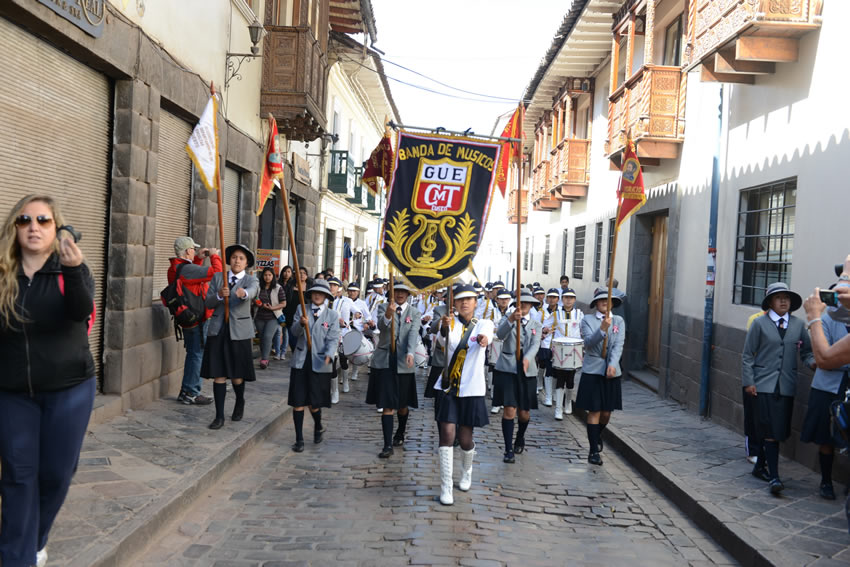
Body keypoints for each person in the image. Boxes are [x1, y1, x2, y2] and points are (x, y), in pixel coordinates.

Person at [0, 195, 96, 567]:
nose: (34, 226)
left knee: (55, 475)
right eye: (25, 220)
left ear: (56, 228)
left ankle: (35, 538)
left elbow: (81, 310)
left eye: (43, 220)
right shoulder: (3, 273)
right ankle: (16, 557)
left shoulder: (70, 269)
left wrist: (73, 271)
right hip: (12, 394)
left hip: (69, 389)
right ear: (15, 227)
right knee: (19, 477)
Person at [742, 282, 814, 494]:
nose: (783, 301)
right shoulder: (759, 324)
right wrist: (749, 382)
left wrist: (813, 363)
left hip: (786, 386)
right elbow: (747, 355)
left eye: (787, 298)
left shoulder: (798, 325)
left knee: (778, 430)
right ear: (770, 302)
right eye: (778, 297)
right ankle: (774, 477)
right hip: (762, 385)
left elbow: (807, 352)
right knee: (770, 431)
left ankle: (759, 467)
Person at [433, 284, 494, 505]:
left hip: (472, 389)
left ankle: (467, 471)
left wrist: (483, 340)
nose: (464, 303)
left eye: (469, 299)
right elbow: (442, 342)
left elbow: (487, 336)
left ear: (476, 302)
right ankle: (446, 487)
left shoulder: (484, 323)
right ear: (454, 304)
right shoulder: (449, 323)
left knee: (465, 439)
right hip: (449, 387)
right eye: (460, 300)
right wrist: (443, 327)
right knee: (447, 434)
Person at [201, 244, 260, 430]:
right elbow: (208, 301)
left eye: (241, 258)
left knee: (236, 376)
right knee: (219, 374)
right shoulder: (219, 278)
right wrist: (219, 295)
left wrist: (243, 294)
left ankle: (240, 400)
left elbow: (253, 292)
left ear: (246, 262)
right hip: (219, 330)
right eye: (234, 257)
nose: (237, 261)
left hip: (240, 332)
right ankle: (219, 416)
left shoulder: (251, 280)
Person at [799, 294, 847, 500]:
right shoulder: (826, 320)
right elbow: (823, 357)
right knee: (824, 435)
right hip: (827, 387)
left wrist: (837, 358)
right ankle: (826, 481)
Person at [366, 282, 422, 457]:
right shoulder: (383, 307)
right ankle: (387, 444)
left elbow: (413, 334)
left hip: (404, 361)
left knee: (402, 405)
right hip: (384, 361)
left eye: (403, 292)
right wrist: (389, 315)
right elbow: (381, 328)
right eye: (397, 291)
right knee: (387, 404)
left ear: (408, 294)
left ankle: (401, 431)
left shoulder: (414, 313)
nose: (400, 294)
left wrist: (411, 352)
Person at [287, 279, 340, 452]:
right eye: (314, 292)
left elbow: (333, 339)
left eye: (321, 293)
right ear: (310, 294)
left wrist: (329, 355)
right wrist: (301, 324)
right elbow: (293, 332)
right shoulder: (301, 309)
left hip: (320, 361)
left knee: (314, 402)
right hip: (301, 360)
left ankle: (318, 425)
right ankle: (299, 439)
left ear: (326, 296)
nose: (317, 295)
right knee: (298, 401)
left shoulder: (332, 316)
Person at [168, 236, 221, 405]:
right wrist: (214, 256)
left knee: (193, 354)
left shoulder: (176, 267)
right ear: (188, 250)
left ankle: (187, 390)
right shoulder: (186, 270)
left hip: (187, 316)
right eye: (193, 250)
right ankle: (191, 392)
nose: (194, 251)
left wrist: (199, 257)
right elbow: (216, 273)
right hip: (196, 318)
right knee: (196, 355)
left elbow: (193, 278)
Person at [576, 288, 626, 466]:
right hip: (592, 370)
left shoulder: (619, 321)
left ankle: (597, 434)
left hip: (610, 371)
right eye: (602, 299)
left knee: (606, 413)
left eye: (608, 299)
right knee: (594, 411)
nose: (605, 302)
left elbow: (618, 345)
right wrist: (602, 330)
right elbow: (588, 343)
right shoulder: (587, 320)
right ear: (596, 303)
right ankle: (592, 451)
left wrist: (613, 364)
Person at [492, 290, 542, 463]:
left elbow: (535, 345)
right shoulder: (508, 319)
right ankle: (508, 450)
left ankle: (520, 436)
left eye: (528, 303)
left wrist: (527, 359)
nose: (525, 305)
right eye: (522, 302)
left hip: (527, 371)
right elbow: (499, 335)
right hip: (507, 369)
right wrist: (512, 320)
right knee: (509, 410)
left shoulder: (536, 324)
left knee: (524, 413)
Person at [551, 288, 584, 419]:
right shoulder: (555, 314)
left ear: (574, 300)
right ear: (561, 299)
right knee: (560, 378)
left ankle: (568, 402)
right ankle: (558, 409)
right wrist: (546, 330)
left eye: (571, 297)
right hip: (559, 350)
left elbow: (584, 329)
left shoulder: (580, 314)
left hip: (574, 350)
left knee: (570, 379)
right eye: (566, 297)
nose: (568, 300)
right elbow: (546, 327)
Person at [254, 267, 286, 370]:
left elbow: (283, 303)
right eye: (265, 275)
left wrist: (272, 307)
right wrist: (259, 304)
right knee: (262, 337)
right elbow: (255, 299)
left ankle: (264, 359)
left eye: (269, 275)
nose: (267, 277)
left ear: (273, 276)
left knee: (268, 336)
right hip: (259, 316)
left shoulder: (278, 288)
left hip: (273, 316)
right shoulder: (258, 287)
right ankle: (264, 356)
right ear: (262, 276)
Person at [328, 277, 353, 399]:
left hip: (340, 335)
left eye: (334, 285)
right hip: (325, 336)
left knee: (342, 360)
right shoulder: (324, 301)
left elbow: (345, 322)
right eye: (330, 284)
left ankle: (342, 384)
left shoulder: (344, 302)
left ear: (338, 288)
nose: (331, 287)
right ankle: (332, 389)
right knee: (329, 364)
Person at [488, 287, 512, 414]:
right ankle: (495, 399)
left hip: (508, 344)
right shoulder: (492, 311)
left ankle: (505, 400)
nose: (504, 301)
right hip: (495, 342)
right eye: (502, 299)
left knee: (506, 374)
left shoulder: (513, 311)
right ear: (497, 300)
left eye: (507, 299)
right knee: (494, 370)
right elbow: (487, 324)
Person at [539, 288, 562, 407]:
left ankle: (553, 394)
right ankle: (548, 396)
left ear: (558, 299)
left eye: (554, 297)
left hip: (558, 345)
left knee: (556, 370)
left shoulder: (561, 313)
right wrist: (543, 330)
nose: (552, 299)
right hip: (546, 344)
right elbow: (537, 327)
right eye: (550, 297)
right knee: (547, 368)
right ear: (547, 298)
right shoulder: (541, 313)